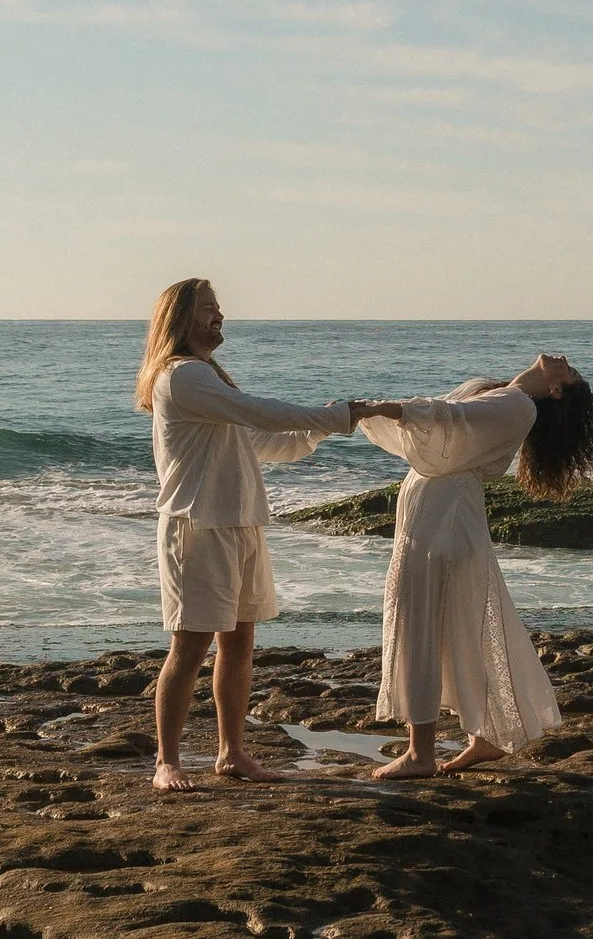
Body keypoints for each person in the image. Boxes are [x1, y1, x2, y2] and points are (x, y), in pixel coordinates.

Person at [137, 277, 399, 792]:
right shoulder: (183, 376)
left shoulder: (209, 380)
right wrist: (337, 415)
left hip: (239, 523)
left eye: (219, 308)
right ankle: (166, 761)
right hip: (198, 526)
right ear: (181, 318)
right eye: (209, 309)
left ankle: (231, 753)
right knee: (188, 648)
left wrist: (321, 427)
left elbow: (263, 441)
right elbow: (258, 411)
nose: (220, 316)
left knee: (239, 643)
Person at [359, 353, 593, 778]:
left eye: (571, 371)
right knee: (458, 627)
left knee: (422, 627)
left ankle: (421, 755)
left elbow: (449, 419)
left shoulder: (518, 405)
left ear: (556, 390)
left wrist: (382, 409)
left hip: (444, 518)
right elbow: (444, 425)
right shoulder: (504, 393)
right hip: (438, 509)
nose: (565, 360)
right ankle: (485, 739)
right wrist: (381, 410)